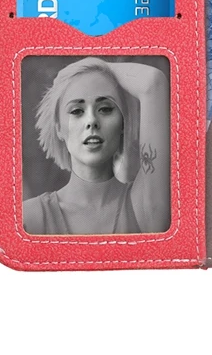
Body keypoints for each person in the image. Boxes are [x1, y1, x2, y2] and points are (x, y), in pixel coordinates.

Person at [23, 57, 170, 235]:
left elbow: (152, 83)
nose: (91, 120)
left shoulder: (144, 207)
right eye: (77, 111)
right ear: (58, 128)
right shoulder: (29, 218)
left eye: (105, 109)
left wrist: (96, 66)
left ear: (123, 123)